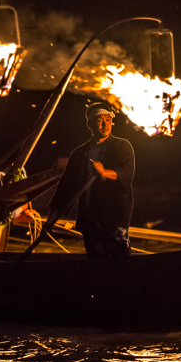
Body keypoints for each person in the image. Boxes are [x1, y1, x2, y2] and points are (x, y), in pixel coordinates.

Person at [47, 102, 135, 259]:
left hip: (114, 218)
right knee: (96, 262)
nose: (105, 124)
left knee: (120, 261)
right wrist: (50, 220)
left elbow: (125, 173)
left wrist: (104, 172)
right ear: (90, 124)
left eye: (108, 120)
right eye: (99, 120)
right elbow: (66, 188)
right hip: (89, 220)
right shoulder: (80, 153)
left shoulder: (122, 146)